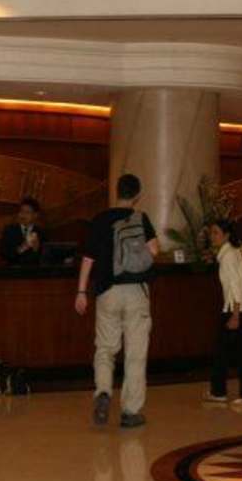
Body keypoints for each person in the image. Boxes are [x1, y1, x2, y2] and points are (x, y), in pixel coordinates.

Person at [75, 173, 158, 428]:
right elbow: (154, 250)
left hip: (107, 291)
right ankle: (131, 411)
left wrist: (81, 292)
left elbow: (88, 259)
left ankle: (103, 391)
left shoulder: (99, 220)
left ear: (116, 192)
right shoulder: (141, 218)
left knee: (105, 348)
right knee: (135, 352)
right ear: (137, 195)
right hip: (136, 292)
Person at [204, 218, 242, 408]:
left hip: (237, 310)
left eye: (216, 233)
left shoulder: (227, 256)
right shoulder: (239, 251)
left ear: (226, 235)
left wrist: (235, 315)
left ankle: (232, 393)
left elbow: (235, 286)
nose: (212, 237)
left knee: (226, 352)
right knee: (234, 352)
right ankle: (228, 392)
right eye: (211, 233)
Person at [0, 197, 44, 266]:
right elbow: (3, 254)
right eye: (21, 211)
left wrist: (36, 249)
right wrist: (21, 249)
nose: (23, 215)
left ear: (35, 215)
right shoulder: (9, 230)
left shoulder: (41, 233)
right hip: (13, 269)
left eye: (27, 212)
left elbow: (46, 259)